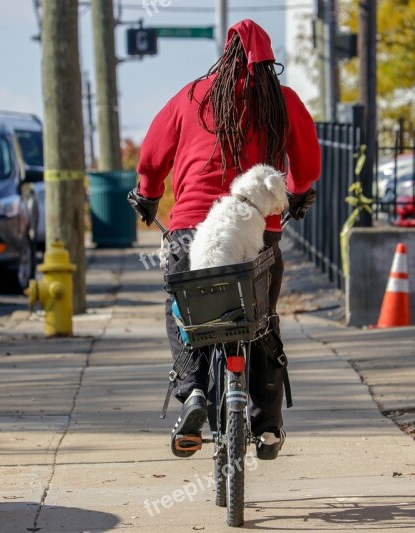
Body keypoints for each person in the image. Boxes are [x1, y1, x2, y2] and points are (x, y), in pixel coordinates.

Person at [128, 19, 321, 460]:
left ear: (225, 54)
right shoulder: (283, 102)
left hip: (189, 235)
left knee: (183, 310)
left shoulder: (191, 96)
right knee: (260, 321)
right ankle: (268, 425)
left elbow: (152, 157)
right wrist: (296, 196)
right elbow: (307, 167)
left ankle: (193, 391)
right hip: (255, 239)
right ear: (269, 62)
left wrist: (147, 196)